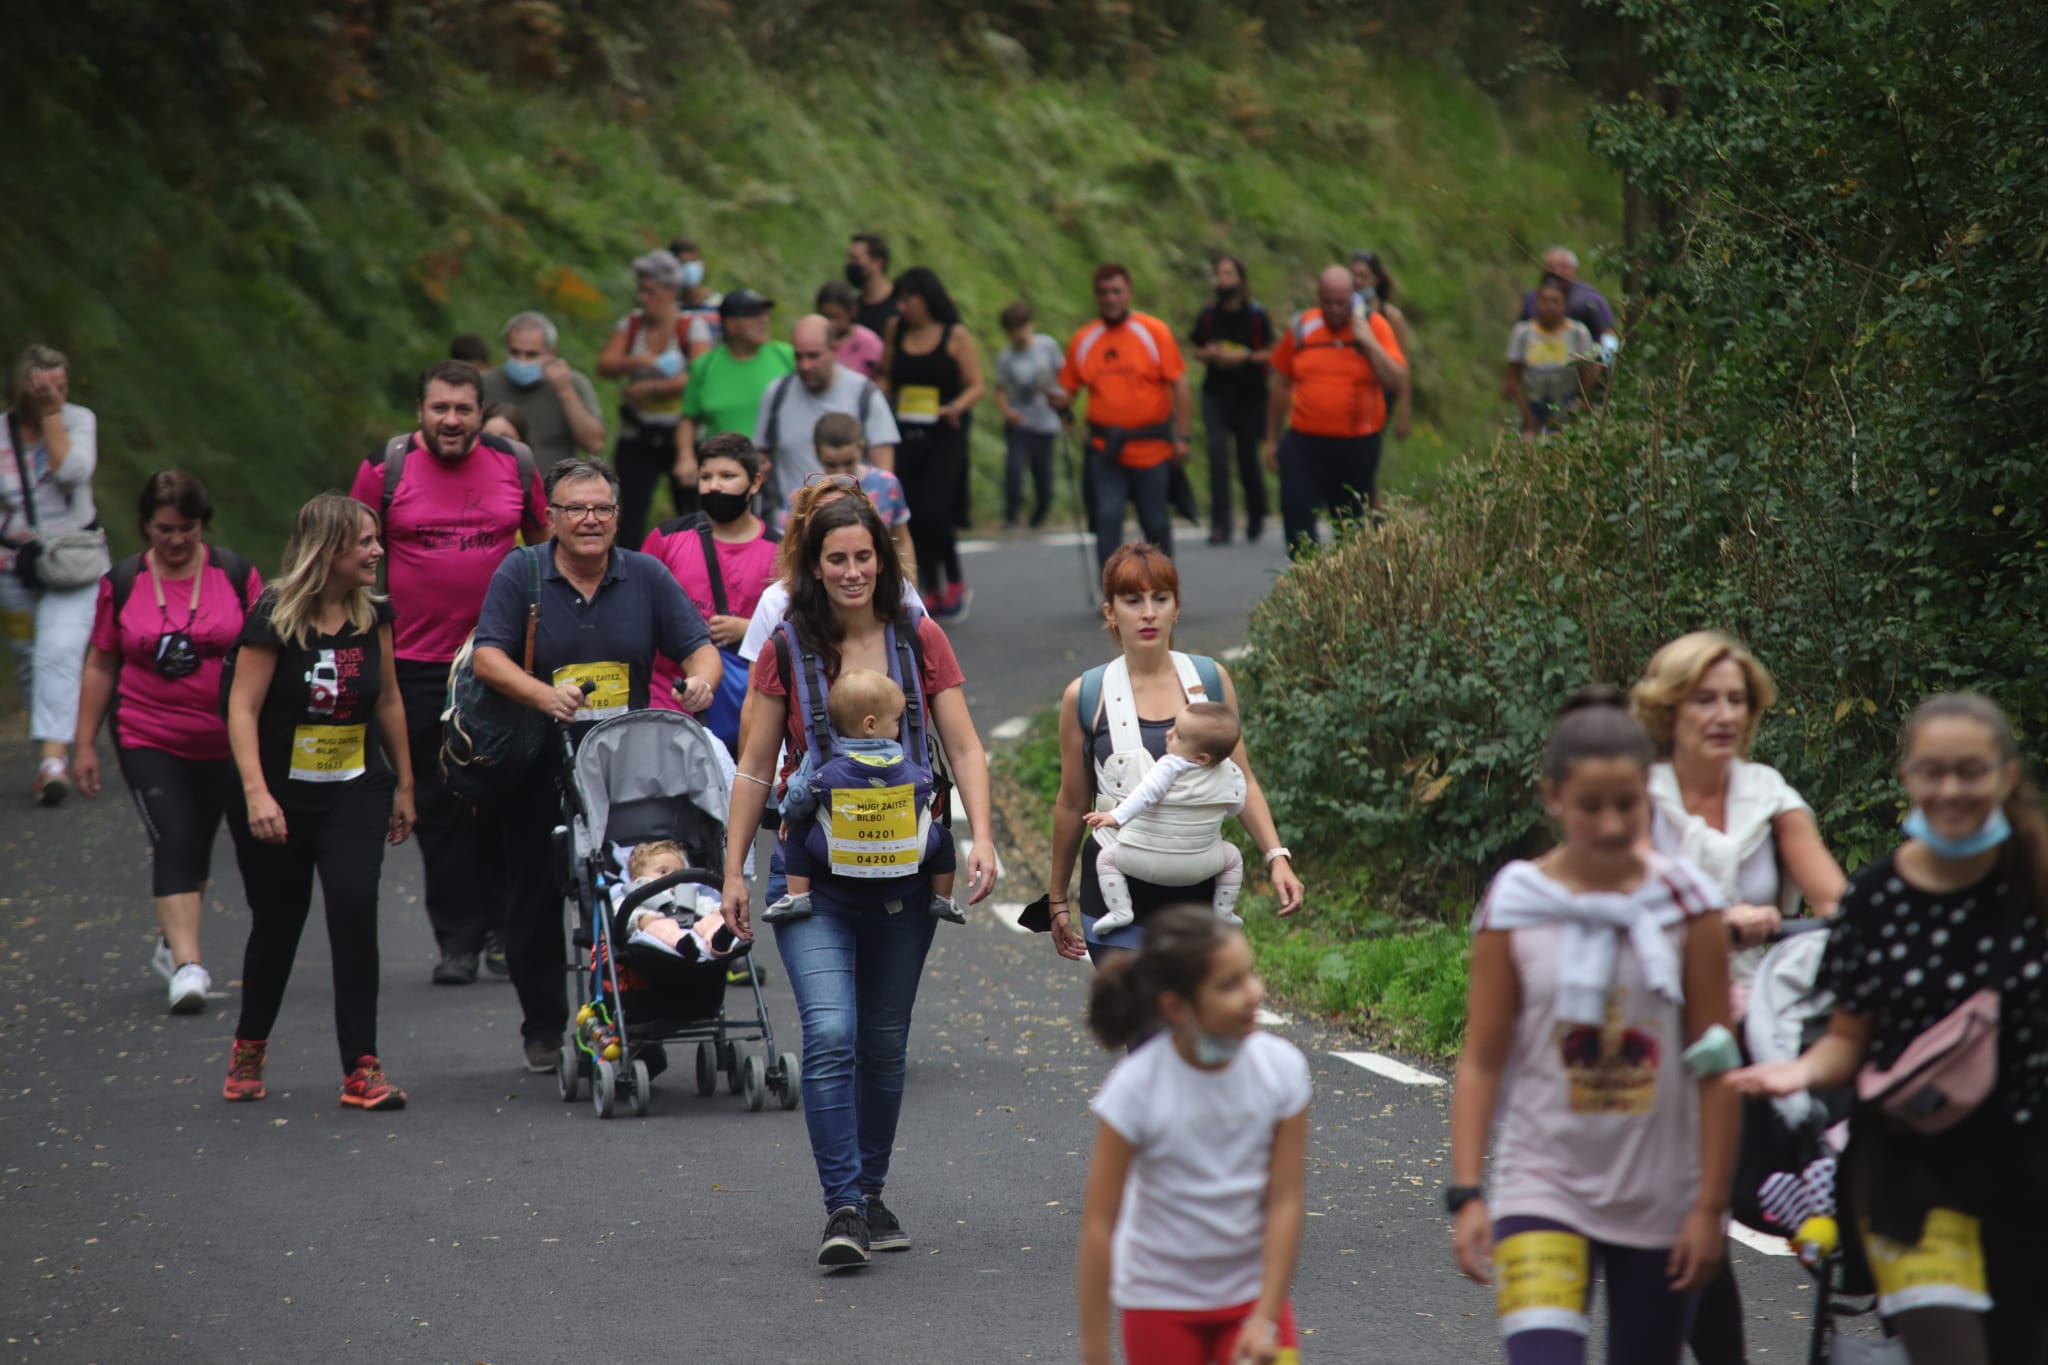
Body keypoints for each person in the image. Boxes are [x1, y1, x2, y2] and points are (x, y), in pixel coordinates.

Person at [719, 494, 998, 1268]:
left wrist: (980, 837)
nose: (850, 571)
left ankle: (872, 1193)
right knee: (832, 1032)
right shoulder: (786, 646)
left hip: (906, 878)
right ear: (812, 566)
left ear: (884, 560)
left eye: (862, 557)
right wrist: (734, 868)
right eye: (834, 558)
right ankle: (841, 1205)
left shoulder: (920, 637)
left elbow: (966, 747)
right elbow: (752, 763)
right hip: (816, 875)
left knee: (882, 1041)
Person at [1730, 693, 2048, 1365]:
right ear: (1908, 776)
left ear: (2007, 776)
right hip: (1908, 1170)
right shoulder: (1876, 899)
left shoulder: (2035, 888)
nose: (1951, 788)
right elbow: (1848, 1038)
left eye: (1970, 770)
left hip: (2025, 1169)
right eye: (1933, 770)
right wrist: (1798, 1070)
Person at [1447, 688, 1735, 1365]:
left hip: (1661, 1191)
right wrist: (1465, 1192)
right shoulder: (1515, 901)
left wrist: (1709, 1206)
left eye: (1627, 804)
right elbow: (1483, 1058)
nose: (1610, 825)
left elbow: (1716, 1060)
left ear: (1649, 795)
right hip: (1542, 1181)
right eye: (1589, 806)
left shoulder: (1688, 904)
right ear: (1553, 797)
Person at [1630, 630, 1848, 1365]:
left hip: (1764, 1016)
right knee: (1686, 1220)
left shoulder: (1771, 797)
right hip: (1660, 1015)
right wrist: (1705, 926)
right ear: (1670, 708)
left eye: (1736, 700)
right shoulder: (1636, 796)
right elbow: (1612, 898)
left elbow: (1833, 900)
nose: (1724, 714)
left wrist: (1820, 920)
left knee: (1814, 1166)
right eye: (1706, 699)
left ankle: (1821, 1218)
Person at [469, 457, 721, 1074]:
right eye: (575, 509)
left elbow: (700, 650)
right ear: (550, 517)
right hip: (537, 757)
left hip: (623, 766)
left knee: (626, 889)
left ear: (617, 514)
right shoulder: (521, 573)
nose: (590, 519)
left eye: (602, 508)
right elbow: (487, 657)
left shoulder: (645, 575)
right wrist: (543, 696)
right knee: (534, 895)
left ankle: (635, 1014)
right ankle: (545, 1028)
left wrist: (700, 685)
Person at [348, 360, 548, 986]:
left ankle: (500, 929)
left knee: (502, 797)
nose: (452, 421)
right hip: (414, 663)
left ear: (480, 412)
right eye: (440, 409)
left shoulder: (514, 464)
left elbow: (547, 548)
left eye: (463, 409)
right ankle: (457, 939)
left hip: (502, 663)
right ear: (420, 411)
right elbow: (353, 558)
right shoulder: (385, 470)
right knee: (436, 805)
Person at [220, 492, 416, 1111]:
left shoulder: (373, 614)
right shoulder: (275, 615)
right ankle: (249, 1045)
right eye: (365, 542)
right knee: (279, 922)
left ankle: (362, 1065)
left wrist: (405, 783)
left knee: (354, 908)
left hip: (354, 788)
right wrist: (255, 793)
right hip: (276, 793)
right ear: (329, 549)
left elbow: (386, 700)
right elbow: (241, 708)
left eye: (376, 539)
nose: (377, 551)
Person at [1046, 544, 1303, 968]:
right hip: (1117, 890)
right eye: (1133, 601)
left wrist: (1277, 858)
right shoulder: (1086, 696)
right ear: (1110, 612)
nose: (1148, 613)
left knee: (1187, 1028)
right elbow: (1072, 803)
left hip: (1196, 885)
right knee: (1143, 1031)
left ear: (1176, 609)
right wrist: (1056, 898)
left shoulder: (1209, 680)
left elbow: (1243, 780)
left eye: (1160, 599)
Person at [1078, 909, 1309, 1365]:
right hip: (1159, 1305)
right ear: (1176, 1008)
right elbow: (1100, 1225)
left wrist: (1265, 1319)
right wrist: (1095, 1350)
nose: (1253, 994)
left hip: (1252, 1300)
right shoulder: (1135, 1087)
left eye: (1250, 975)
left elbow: (1285, 1200)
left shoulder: (1282, 1069)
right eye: (1229, 985)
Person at [71, 472, 262, 1013]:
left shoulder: (236, 573)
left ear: (203, 525)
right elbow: (102, 661)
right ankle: (188, 966)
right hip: (147, 733)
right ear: (144, 527)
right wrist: (83, 744)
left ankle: (175, 939)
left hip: (225, 737)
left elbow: (266, 651)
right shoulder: (125, 581)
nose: (175, 540)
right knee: (175, 838)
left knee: (199, 844)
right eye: (163, 529)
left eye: (186, 528)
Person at [767, 667, 961, 926]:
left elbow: (800, 794)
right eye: (895, 721)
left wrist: (789, 815)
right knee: (944, 839)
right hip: (903, 849)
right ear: (870, 724)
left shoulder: (822, 759)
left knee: (798, 839)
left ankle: (798, 895)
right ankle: (942, 897)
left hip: (836, 851)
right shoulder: (903, 757)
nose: (898, 728)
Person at [0, 344, 101, 805]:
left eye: (62, 386)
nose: (56, 394)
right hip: (15, 569)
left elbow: (71, 471)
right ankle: (51, 747)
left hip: (73, 561)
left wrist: (52, 415)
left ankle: (53, 762)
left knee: (59, 650)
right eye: (46, 388)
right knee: (27, 654)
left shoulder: (78, 420)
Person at [639, 432, 780, 753]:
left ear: (755, 483)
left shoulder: (780, 551)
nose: (715, 485)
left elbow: (800, 626)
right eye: (706, 477)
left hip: (744, 700)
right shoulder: (667, 538)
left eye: (728, 476)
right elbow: (636, 606)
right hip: (669, 695)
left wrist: (748, 629)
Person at [1051, 265, 1193, 571]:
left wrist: (1182, 436)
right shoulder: (1085, 340)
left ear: (1128, 292)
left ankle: (1161, 584)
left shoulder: (1154, 332)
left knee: (1155, 520)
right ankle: (1112, 591)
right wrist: (1060, 401)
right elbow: (1069, 388)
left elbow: (1179, 384)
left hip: (1152, 448)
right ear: (1096, 296)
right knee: (1107, 516)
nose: (1110, 298)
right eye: (1104, 292)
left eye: (1116, 291)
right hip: (1106, 449)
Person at [1264, 265, 1408, 553]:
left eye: (1340, 303)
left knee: (1351, 522)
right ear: (1318, 298)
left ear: (1351, 298)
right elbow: (1281, 384)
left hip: (1357, 444)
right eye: (1327, 302)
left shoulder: (1374, 325)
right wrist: (1271, 439)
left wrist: (1368, 342)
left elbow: (1397, 380)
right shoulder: (1302, 327)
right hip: (1304, 441)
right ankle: (1307, 578)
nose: (1333, 309)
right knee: (1295, 510)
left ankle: (1345, 585)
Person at [1084, 701, 1247, 933]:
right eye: (1173, 728)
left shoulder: (1169, 765)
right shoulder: (1230, 773)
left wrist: (1115, 817)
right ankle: (1223, 912)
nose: (1168, 734)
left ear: (1201, 758)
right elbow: (1235, 808)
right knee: (1233, 858)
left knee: (1107, 858)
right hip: (1201, 865)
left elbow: (1145, 795)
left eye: (1179, 736)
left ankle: (1120, 910)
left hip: (1144, 860)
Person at [881, 267, 985, 621]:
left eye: (909, 298)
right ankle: (932, 585)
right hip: (906, 432)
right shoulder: (896, 331)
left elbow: (976, 384)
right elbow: (885, 372)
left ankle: (955, 580)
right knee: (913, 513)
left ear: (927, 298)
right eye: (900, 299)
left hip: (945, 434)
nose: (903, 306)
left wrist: (953, 407)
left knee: (936, 509)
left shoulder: (954, 336)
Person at [737, 475, 924, 671]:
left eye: (863, 556)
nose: (852, 573)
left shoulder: (899, 591)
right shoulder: (776, 601)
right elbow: (754, 697)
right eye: (821, 516)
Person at [596, 249, 692, 548]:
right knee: (631, 510)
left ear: (670, 290)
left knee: (690, 509)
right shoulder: (633, 324)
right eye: (641, 291)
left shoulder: (690, 327)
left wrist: (654, 388)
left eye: (650, 291)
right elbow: (606, 364)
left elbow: (699, 376)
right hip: (637, 432)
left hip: (680, 435)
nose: (644, 298)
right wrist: (641, 360)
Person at [678, 289, 794, 524]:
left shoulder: (785, 356)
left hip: (778, 474)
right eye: (753, 315)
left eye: (764, 313)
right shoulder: (706, 366)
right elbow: (688, 417)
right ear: (730, 325)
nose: (763, 320)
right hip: (723, 475)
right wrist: (685, 456)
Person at [754, 314, 900, 498]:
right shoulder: (777, 393)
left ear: (835, 349)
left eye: (813, 356)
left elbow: (884, 472)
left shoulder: (865, 395)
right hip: (790, 518)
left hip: (850, 518)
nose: (805, 365)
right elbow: (761, 456)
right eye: (798, 356)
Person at [1190, 256, 1276, 545]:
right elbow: (1195, 348)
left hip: (1249, 395)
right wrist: (1211, 353)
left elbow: (1271, 352)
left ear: (1241, 279)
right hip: (1216, 393)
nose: (1223, 280)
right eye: (1219, 274)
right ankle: (1220, 523)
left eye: (1229, 274)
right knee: (1217, 455)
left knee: (1247, 458)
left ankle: (1256, 514)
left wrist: (1245, 356)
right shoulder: (1208, 315)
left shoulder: (1255, 315)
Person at [482, 311, 605, 466]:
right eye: (515, 352)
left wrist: (565, 391)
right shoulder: (485, 384)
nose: (522, 360)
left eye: (531, 354)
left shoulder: (573, 384)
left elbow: (594, 443)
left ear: (551, 352)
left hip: (552, 485)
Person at [811, 413, 914, 581]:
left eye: (848, 463)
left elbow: (901, 540)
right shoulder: (808, 494)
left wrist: (911, 588)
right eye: (831, 465)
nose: (841, 473)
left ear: (861, 447)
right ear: (816, 453)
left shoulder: (886, 485)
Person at [994, 300, 1066, 530]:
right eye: (1013, 329)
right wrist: (1008, 412)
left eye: (1022, 326)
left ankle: (1040, 512)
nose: (1019, 334)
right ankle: (1011, 515)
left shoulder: (1047, 346)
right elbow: (1000, 390)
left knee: (1043, 473)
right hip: (1020, 422)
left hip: (1045, 421)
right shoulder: (1006, 357)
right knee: (1014, 469)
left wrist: (1064, 406)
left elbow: (1064, 376)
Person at [1505, 275, 1601, 437]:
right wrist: (1526, 414)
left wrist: (1583, 403)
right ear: (1536, 304)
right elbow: (1514, 375)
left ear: (1565, 305)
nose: (1549, 307)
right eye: (1544, 301)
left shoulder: (1578, 333)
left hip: (1567, 403)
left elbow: (1587, 372)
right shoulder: (1523, 333)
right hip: (1533, 404)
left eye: (1555, 301)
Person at [1349, 250, 1415, 441]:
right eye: (1354, 275)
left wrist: (1404, 412)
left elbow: (1403, 367)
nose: (1357, 282)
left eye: (1363, 276)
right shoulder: (1345, 313)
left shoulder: (1391, 317)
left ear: (1376, 279)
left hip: (1382, 390)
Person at [1518, 245, 1619, 355]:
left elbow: (1608, 333)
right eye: (1551, 267)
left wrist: (1607, 360)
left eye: (1563, 267)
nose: (1556, 272)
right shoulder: (1531, 298)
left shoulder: (1590, 299)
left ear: (1573, 269)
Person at [817, 279, 885, 379]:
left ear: (852, 312)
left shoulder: (869, 342)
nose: (831, 323)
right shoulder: (816, 341)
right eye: (826, 317)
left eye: (836, 317)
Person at [670, 237, 724, 361]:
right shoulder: (670, 309)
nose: (689, 268)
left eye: (693, 261)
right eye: (683, 263)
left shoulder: (720, 304)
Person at [845, 232, 898, 340]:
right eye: (849, 258)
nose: (850, 264)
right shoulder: (852, 307)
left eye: (855, 259)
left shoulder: (899, 305)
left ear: (878, 263)